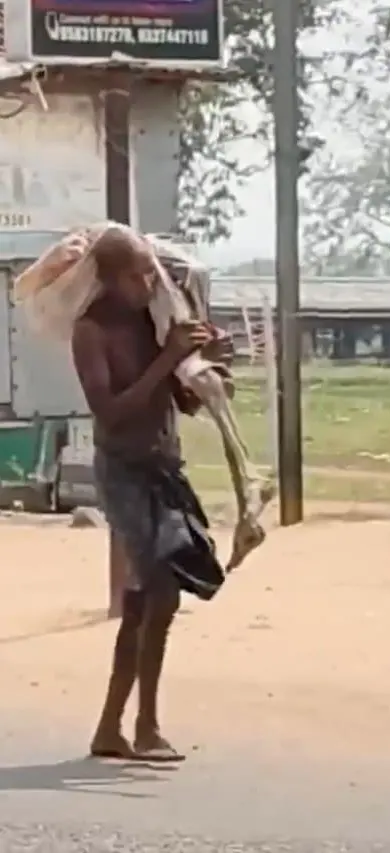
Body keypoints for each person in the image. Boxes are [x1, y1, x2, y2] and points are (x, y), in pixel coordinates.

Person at [70, 228, 231, 762]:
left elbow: (183, 401)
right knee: (158, 592)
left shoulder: (152, 322)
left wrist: (206, 365)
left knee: (150, 600)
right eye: (136, 275)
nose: (148, 284)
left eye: (149, 273)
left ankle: (119, 728)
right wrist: (166, 359)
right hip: (123, 472)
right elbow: (111, 412)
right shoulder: (91, 331)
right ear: (108, 278)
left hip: (164, 467)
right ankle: (141, 726)